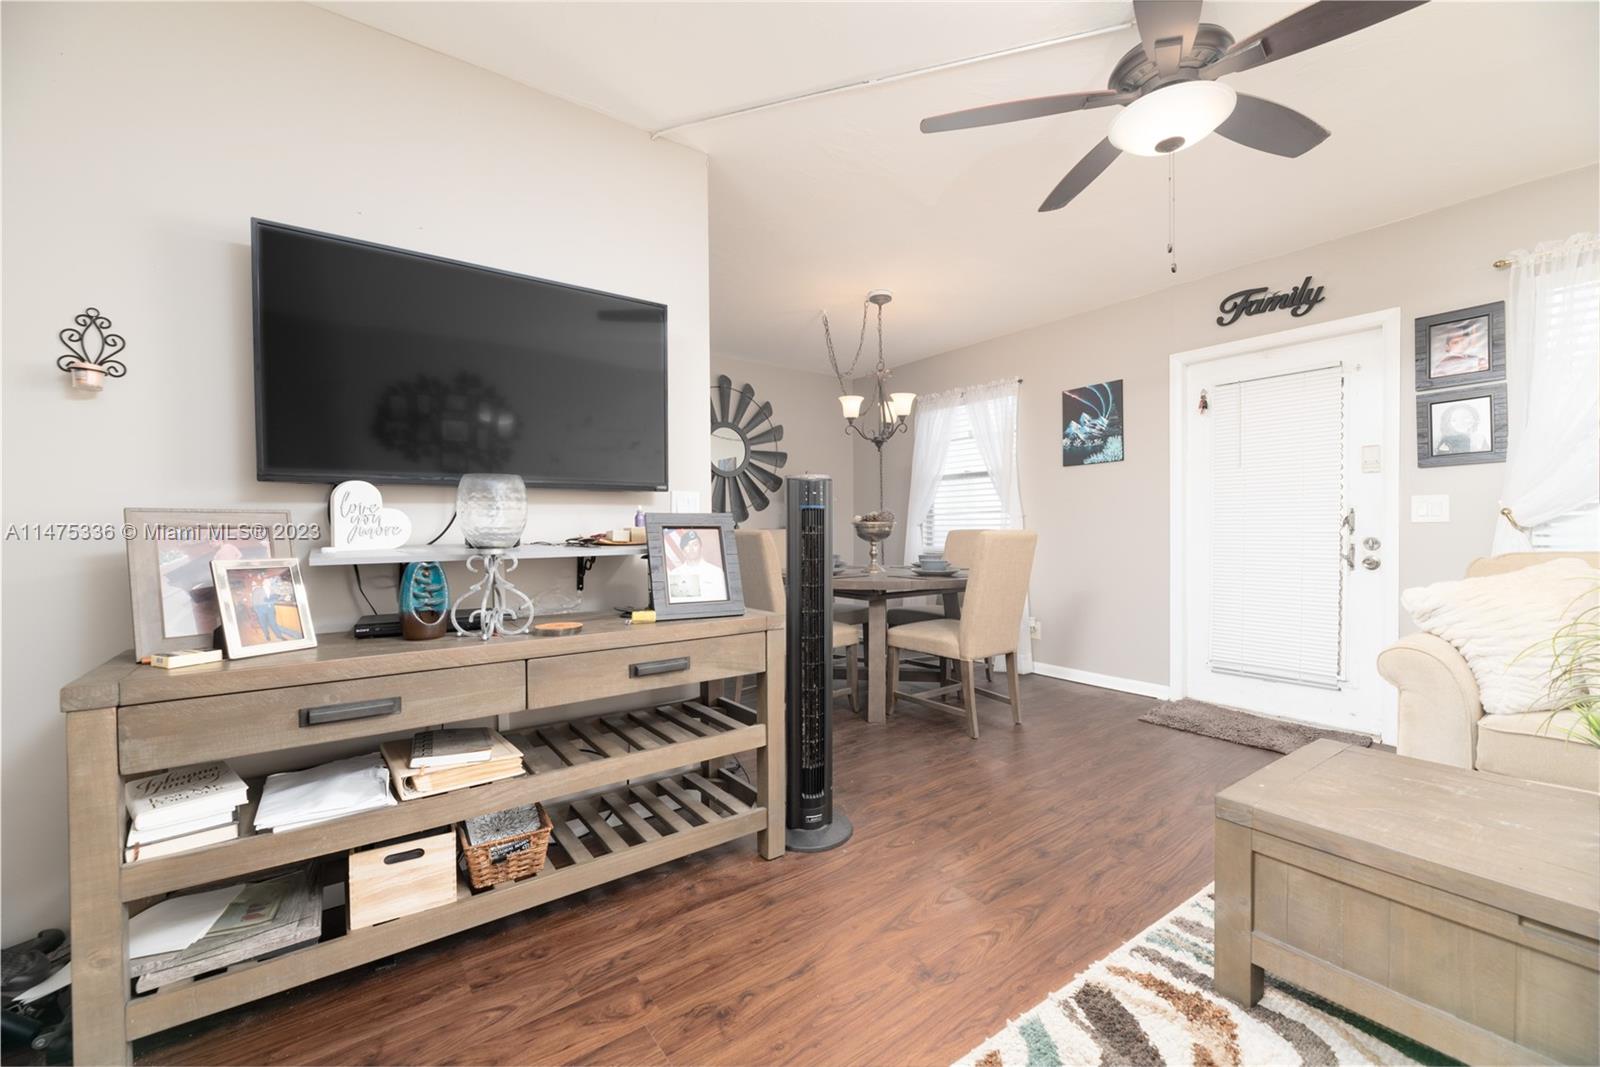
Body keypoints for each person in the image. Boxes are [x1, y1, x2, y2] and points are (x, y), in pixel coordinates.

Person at [667, 529, 727, 602]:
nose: (691, 549)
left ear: (701, 547)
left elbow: (722, 600)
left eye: (695, 545)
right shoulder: (674, 574)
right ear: (683, 551)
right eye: (687, 545)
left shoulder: (716, 572)